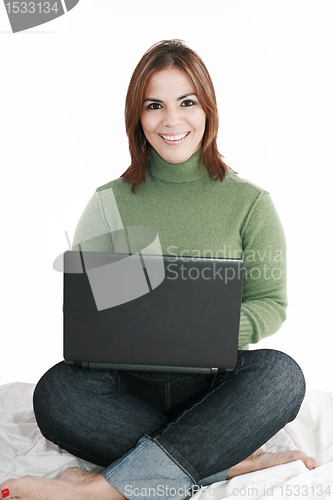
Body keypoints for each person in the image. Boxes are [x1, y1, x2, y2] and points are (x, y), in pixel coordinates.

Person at [0, 39, 319, 500]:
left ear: (207, 109)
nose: (172, 121)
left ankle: (97, 488)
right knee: (56, 392)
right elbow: (93, 313)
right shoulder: (108, 201)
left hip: (213, 383)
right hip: (129, 386)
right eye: (155, 105)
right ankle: (222, 460)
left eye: (186, 102)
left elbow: (270, 303)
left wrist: (204, 332)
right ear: (138, 116)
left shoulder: (249, 203)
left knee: (281, 375)